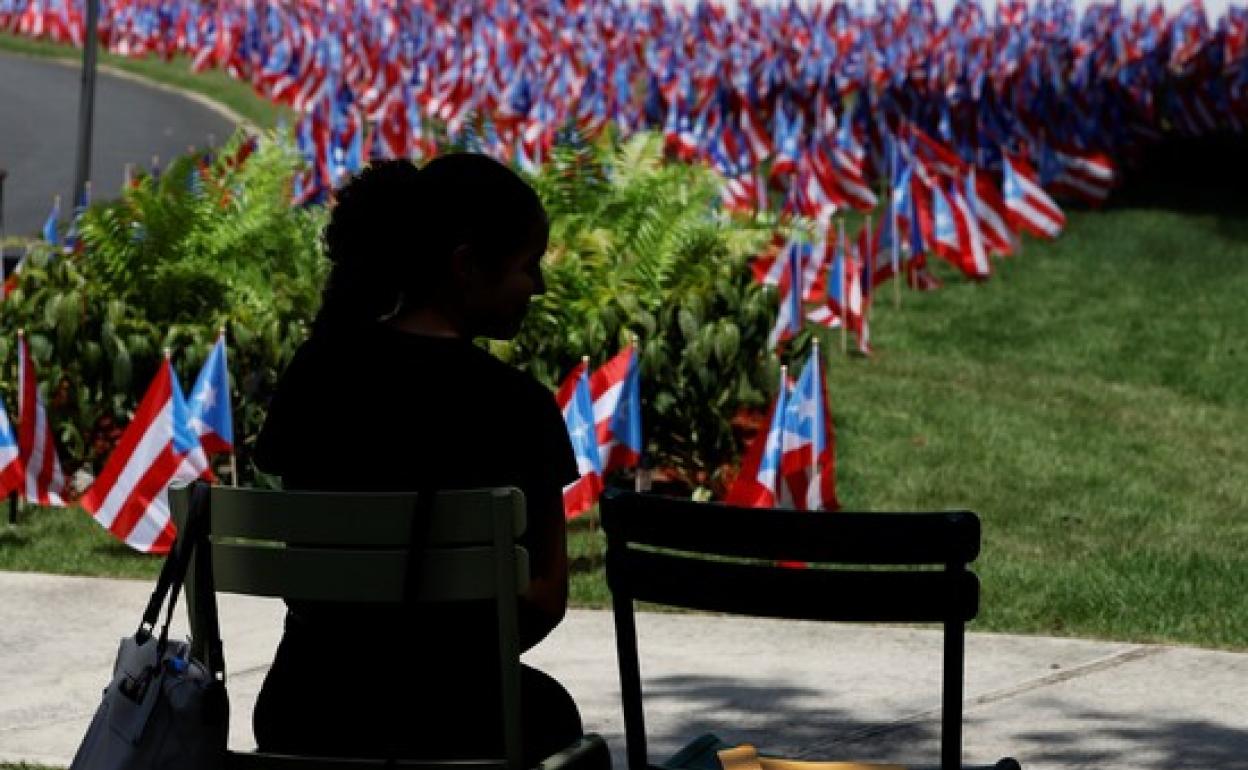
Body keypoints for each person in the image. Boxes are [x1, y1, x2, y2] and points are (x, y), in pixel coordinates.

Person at [253, 154, 583, 764]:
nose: (537, 286)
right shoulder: (519, 408)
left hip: (305, 705)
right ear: (464, 266)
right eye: (527, 266)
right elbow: (543, 597)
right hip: (459, 713)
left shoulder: (317, 374)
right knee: (560, 722)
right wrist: (449, 661)